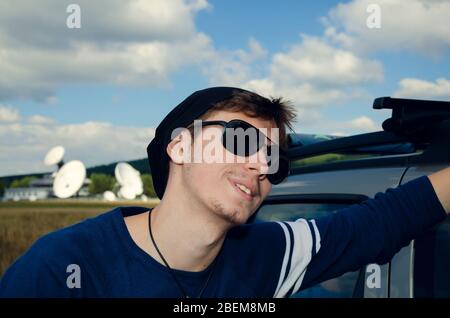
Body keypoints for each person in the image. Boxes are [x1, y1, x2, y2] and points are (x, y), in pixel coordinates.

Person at [1, 87, 449, 298]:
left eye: (275, 159)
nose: (260, 165)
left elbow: (383, 222)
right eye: (241, 139)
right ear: (179, 145)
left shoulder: (267, 258)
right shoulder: (63, 269)